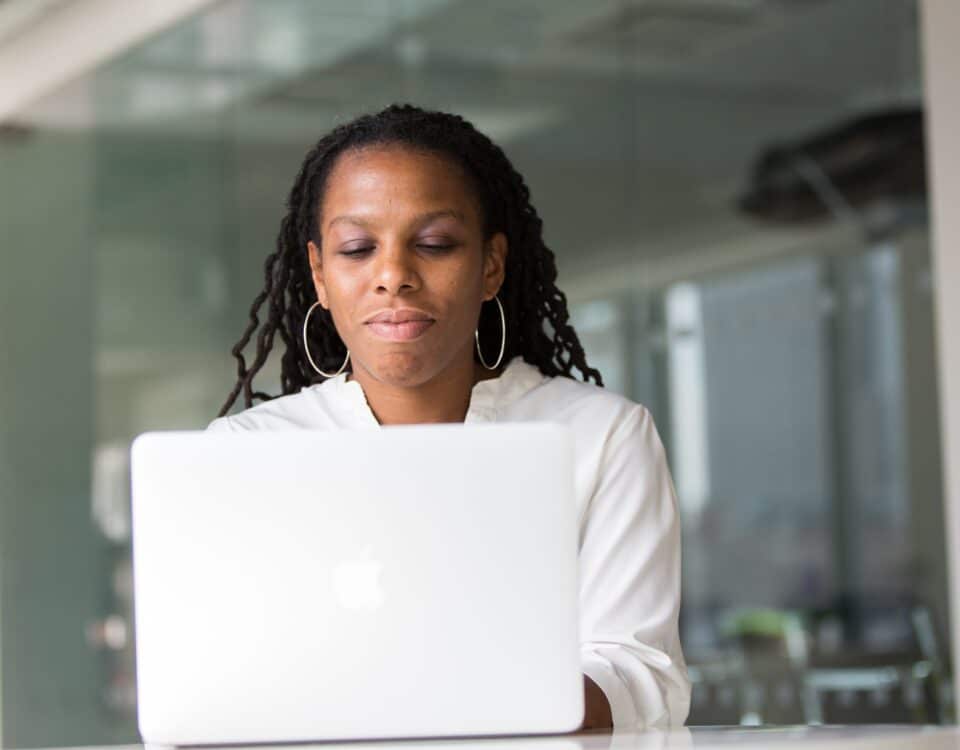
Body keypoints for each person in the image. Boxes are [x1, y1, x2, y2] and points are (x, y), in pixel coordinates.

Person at [208, 103, 690, 731]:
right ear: (320, 276)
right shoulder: (244, 453)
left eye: (434, 244)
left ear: (490, 265)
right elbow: (214, 680)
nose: (394, 277)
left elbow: (640, 674)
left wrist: (422, 700)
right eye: (357, 249)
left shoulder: (599, 437)